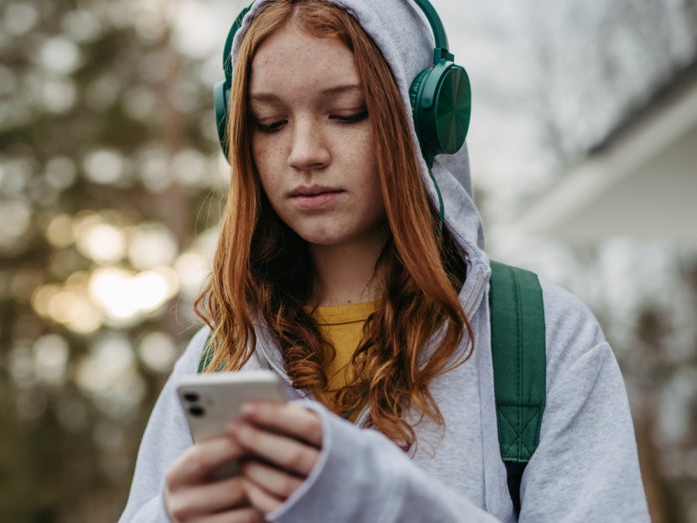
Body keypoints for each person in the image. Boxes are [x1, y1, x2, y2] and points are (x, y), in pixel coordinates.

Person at [119, 0, 649, 521]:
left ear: (426, 121)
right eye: (271, 122)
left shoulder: (543, 342)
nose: (304, 152)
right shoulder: (216, 360)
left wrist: (385, 501)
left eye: (348, 113)